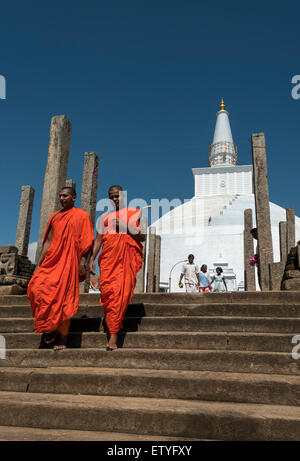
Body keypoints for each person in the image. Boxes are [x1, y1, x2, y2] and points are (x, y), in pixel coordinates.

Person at [27, 187, 94, 351]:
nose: (61, 198)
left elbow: (87, 242)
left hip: (70, 261)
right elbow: (48, 242)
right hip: (52, 260)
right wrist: (39, 264)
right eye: (60, 195)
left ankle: (62, 336)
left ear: (74, 197)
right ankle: (50, 327)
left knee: (63, 299)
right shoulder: (55, 216)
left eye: (65, 195)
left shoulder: (82, 216)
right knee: (36, 288)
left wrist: (82, 262)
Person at [89, 185, 145, 351]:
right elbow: (98, 239)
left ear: (123, 196)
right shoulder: (104, 217)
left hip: (124, 259)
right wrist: (91, 258)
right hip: (108, 260)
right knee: (108, 293)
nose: (114, 199)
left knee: (120, 294)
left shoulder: (133, 213)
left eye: (117, 196)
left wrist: (125, 226)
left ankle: (113, 336)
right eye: (111, 196)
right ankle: (112, 326)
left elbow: (142, 237)